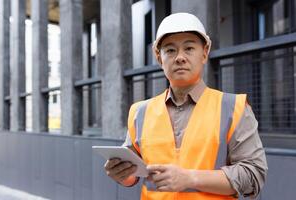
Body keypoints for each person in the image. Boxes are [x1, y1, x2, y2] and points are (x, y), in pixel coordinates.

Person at [104, 12, 268, 199]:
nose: (180, 57)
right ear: (159, 57)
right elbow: (133, 174)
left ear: (204, 53)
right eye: (170, 50)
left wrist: (191, 178)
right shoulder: (140, 112)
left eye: (189, 48)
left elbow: (254, 175)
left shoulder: (234, 108)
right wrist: (122, 175)